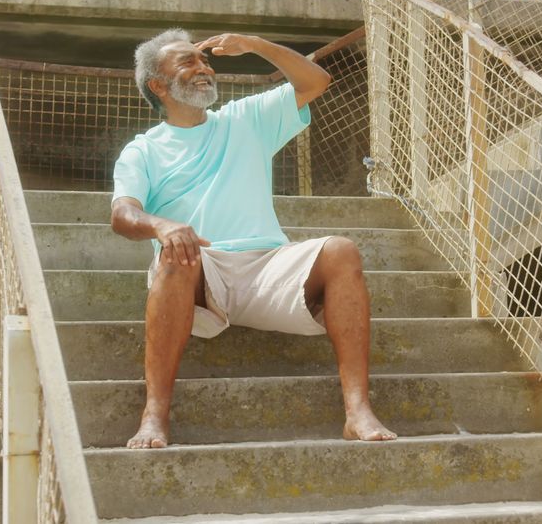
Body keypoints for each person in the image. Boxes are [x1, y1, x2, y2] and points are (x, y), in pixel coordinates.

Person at [111, 28, 397, 448]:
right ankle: (154, 416)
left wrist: (257, 46)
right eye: (187, 62)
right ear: (159, 85)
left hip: (269, 270)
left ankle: (357, 412)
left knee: (341, 250)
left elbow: (315, 82)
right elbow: (122, 214)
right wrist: (161, 226)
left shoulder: (244, 119)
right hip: (200, 277)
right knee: (176, 255)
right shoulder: (143, 150)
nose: (203, 67)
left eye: (203, 59)